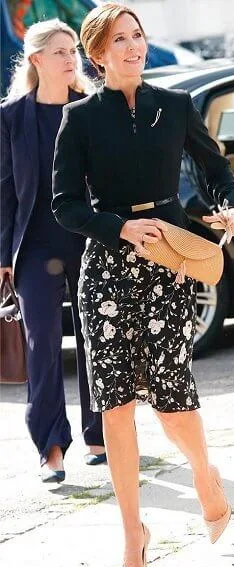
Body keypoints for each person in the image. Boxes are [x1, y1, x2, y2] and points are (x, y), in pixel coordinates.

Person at [52, 2, 234, 567]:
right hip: (108, 271)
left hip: (168, 261)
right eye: (120, 40)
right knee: (113, 403)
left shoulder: (175, 105)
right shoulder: (81, 119)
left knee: (171, 397)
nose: (133, 47)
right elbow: (64, 206)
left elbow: (218, 171)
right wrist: (118, 228)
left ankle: (203, 473)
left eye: (138, 37)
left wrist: (232, 207)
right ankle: (132, 537)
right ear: (98, 54)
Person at [0, 19, 107, 484]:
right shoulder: (10, 117)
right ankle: (51, 447)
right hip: (34, 244)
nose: (71, 60)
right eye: (61, 52)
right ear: (37, 60)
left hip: (88, 239)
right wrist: (3, 257)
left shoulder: (89, 109)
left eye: (74, 51)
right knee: (41, 342)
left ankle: (100, 436)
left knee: (95, 338)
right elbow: (4, 191)